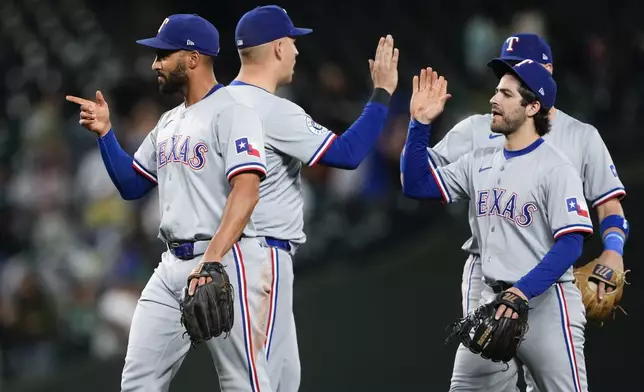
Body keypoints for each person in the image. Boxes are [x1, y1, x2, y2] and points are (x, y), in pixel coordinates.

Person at [403, 33, 628, 391]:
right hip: (487, 276)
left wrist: (613, 250)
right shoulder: (479, 135)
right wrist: (418, 125)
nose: (503, 86)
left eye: (519, 75)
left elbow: (603, 208)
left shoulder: (574, 145)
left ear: (544, 82)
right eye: (505, 73)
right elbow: (417, 179)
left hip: (547, 280)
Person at [66, 14, 273, 392]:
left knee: (246, 385)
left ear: (193, 58)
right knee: (138, 383)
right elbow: (132, 185)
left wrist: (211, 262)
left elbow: (247, 192)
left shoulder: (234, 113)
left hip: (228, 261)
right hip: (171, 267)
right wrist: (107, 134)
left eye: (163, 54)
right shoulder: (168, 122)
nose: (154, 64)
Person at [224, 5, 399, 391]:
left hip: (237, 260)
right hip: (260, 258)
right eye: (291, 42)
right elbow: (348, 154)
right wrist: (382, 93)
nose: (298, 51)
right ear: (276, 48)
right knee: (261, 381)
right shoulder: (269, 109)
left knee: (281, 380)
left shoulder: (213, 107)